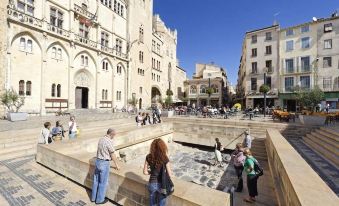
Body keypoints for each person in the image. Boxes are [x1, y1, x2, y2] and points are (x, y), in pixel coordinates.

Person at [91, 128, 120, 204]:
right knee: (103, 182)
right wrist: (117, 165)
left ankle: (93, 197)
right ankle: (100, 200)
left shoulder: (101, 139)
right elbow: (112, 154)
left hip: (98, 161)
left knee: (96, 181)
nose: (114, 136)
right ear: (111, 134)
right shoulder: (109, 141)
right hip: (104, 162)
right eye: (114, 135)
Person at [143, 139, 172, 206]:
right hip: (162, 184)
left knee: (152, 203)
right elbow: (169, 174)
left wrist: (152, 172)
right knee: (161, 203)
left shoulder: (148, 157)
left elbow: (145, 172)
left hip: (152, 183)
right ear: (162, 147)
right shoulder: (164, 158)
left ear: (152, 147)